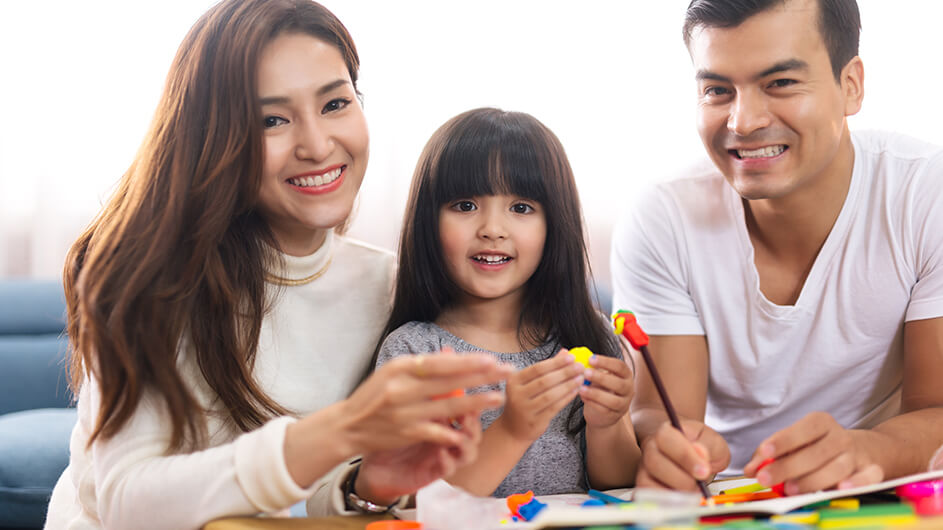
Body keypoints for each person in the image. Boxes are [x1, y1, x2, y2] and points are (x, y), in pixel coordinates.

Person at [44, 1, 512, 528]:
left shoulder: (387, 286)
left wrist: (365, 487)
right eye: (272, 119)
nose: (316, 145)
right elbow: (127, 503)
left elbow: (299, 498)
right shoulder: (147, 278)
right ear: (213, 137)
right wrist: (342, 429)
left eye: (335, 104)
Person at [611, 0, 943, 497]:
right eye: (717, 90)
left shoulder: (925, 193)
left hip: (885, 489)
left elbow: (936, 408)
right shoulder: (662, 216)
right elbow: (660, 413)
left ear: (851, 85)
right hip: (728, 497)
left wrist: (865, 451)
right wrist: (671, 446)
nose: (742, 122)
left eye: (780, 83)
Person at [375, 108, 641, 497]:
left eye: (521, 208)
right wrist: (512, 430)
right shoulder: (414, 353)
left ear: (554, 224)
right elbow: (416, 502)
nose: (493, 230)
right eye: (466, 205)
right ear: (428, 221)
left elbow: (618, 487)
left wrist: (607, 423)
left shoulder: (589, 335)